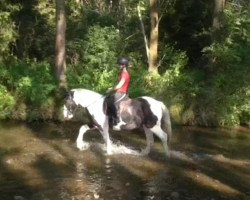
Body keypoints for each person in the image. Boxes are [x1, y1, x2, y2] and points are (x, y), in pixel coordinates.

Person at [107, 57, 131, 125]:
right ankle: (109, 118)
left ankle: (117, 120)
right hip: (119, 92)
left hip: (121, 93)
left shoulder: (124, 74)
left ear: (123, 65)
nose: (118, 66)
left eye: (120, 64)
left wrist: (111, 90)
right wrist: (112, 88)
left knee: (112, 103)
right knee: (108, 99)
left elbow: (119, 86)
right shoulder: (123, 73)